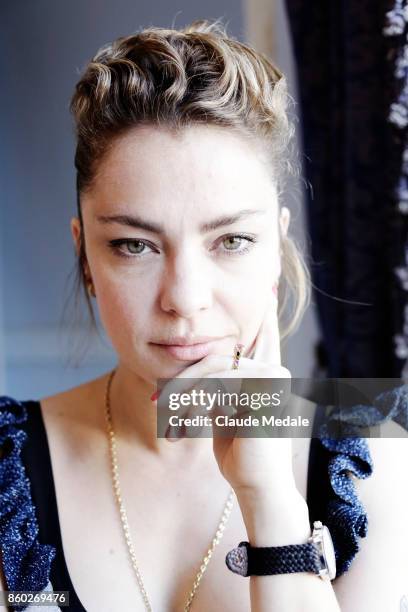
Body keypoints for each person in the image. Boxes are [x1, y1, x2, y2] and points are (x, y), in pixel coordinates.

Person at [0, 18, 407, 612]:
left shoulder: (376, 455)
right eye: (134, 245)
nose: (184, 299)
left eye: (232, 241)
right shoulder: (9, 469)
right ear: (84, 254)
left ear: (277, 249)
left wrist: (269, 497)